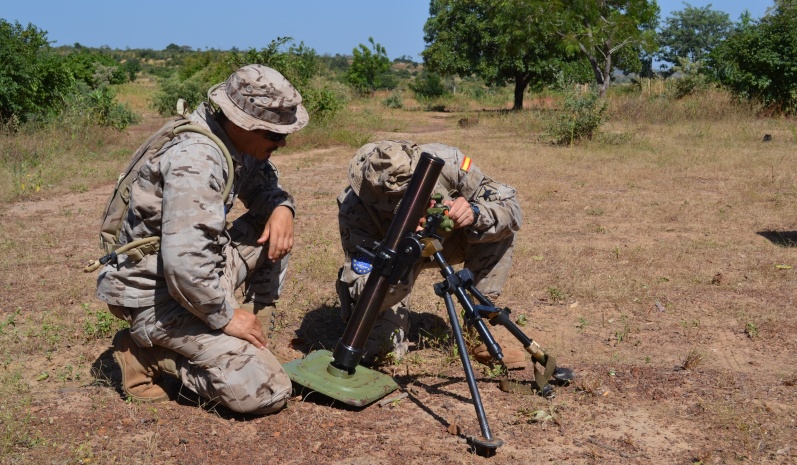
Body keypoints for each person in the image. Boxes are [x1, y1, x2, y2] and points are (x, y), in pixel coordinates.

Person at [95, 64, 307, 414]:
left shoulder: (234, 140)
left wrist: (282, 207)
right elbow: (185, 265)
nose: (282, 142)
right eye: (273, 135)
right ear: (243, 123)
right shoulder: (198, 159)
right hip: (157, 297)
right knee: (266, 391)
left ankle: (256, 342)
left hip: (189, 279)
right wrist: (226, 316)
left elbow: (264, 188)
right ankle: (146, 354)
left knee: (272, 224)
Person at [336, 140, 527, 368]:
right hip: (395, 264)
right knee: (377, 351)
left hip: (451, 241)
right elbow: (361, 287)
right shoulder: (355, 210)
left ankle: (479, 330)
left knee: (498, 230)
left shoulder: (448, 163)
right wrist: (403, 257)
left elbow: (511, 208)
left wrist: (475, 213)